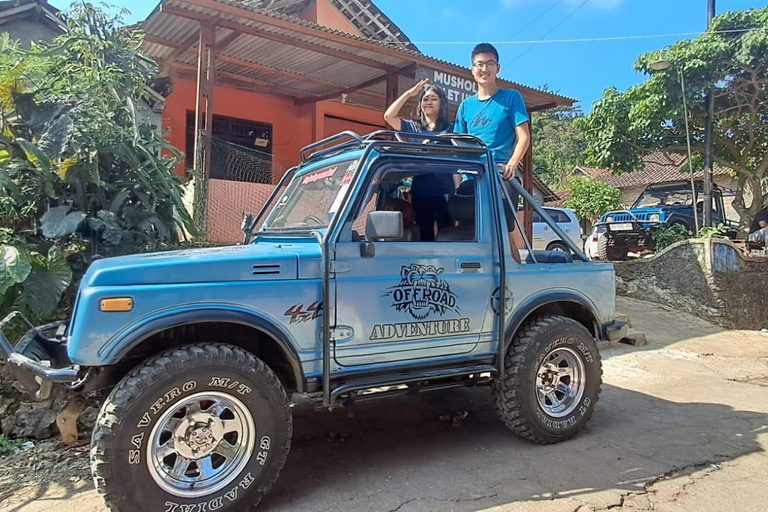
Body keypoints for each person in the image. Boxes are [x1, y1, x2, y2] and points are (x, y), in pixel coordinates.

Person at [453, 42, 531, 263]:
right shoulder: (465, 106)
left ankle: (517, 277)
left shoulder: (510, 98)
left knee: (502, 233)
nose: (484, 69)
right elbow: (458, 146)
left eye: (489, 64)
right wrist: (458, 181)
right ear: (472, 69)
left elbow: (523, 137)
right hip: (473, 177)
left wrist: (511, 165)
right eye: (479, 64)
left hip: (500, 176)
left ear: (498, 68)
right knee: (468, 231)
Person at [384, 80, 455, 241]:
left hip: (445, 191)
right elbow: (388, 116)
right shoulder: (413, 127)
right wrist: (410, 94)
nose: (429, 102)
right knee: (425, 235)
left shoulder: (452, 130)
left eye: (434, 99)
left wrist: (456, 192)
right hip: (421, 191)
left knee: (448, 234)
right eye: (425, 99)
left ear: (442, 103)